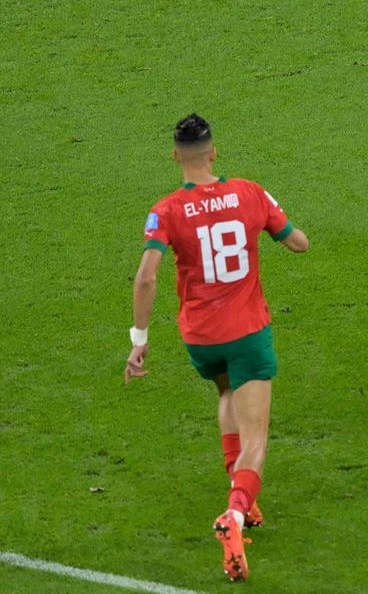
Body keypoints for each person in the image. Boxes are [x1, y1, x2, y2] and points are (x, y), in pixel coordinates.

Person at [124, 114, 309, 582]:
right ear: (214, 152)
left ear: (175, 156)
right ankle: (236, 512)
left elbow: (146, 276)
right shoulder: (249, 192)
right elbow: (299, 244)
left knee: (226, 395)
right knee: (257, 440)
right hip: (247, 331)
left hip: (201, 339)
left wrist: (139, 340)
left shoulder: (165, 210)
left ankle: (241, 490)